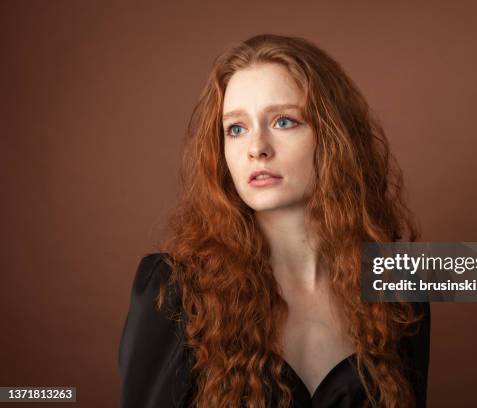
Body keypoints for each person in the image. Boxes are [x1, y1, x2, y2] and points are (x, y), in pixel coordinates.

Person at [118, 33, 430, 408]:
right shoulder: (173, 291)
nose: (256, 148)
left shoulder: (399, 282)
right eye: (236, 128)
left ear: (333, 137)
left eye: (283, 121)